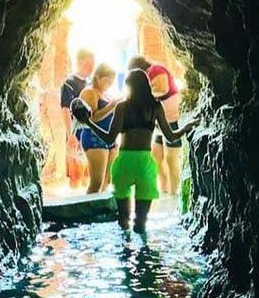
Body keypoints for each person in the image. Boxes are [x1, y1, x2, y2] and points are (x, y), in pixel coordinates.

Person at [75, 68, 190, 232]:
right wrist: (187, 127)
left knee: (123, 222)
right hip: (144, 164)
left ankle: (125, 252)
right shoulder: (155, 107)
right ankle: (143, 255)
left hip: (124, 163)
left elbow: (109, 138)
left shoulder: (122, 107)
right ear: (146, 85)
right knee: (141, 224)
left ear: (128, 86)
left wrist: (89, 122)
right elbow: (171, 137)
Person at [126, 54, 184, 196]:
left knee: (171, 158)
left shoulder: (155, 70)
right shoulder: (148, 77)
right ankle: (164, 187)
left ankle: (174, 191)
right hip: (160, 121)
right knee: (156, 156)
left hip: (172, 118)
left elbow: (163, 89)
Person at [77, 62, 120, 193]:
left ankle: (101, 210)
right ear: (97, 77)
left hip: (108, 139)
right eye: (108, 80)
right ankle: (88, 211)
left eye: (112, 81)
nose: (110, 84)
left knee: (107, 180)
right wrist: (112, 106)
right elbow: (91, 118)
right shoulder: (89, 92)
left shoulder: (105, 94)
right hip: (94, 137)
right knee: (96, 183)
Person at [60, 48, 95, 187]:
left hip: (88, 133)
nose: (91, 68)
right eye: (88, 64)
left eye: (93, 64)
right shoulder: (69, 83)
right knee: (76, 174)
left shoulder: (90, 84)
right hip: (75, 134)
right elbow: (64, 109)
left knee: (88, 172)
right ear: (79, 63)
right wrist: (71, 135)